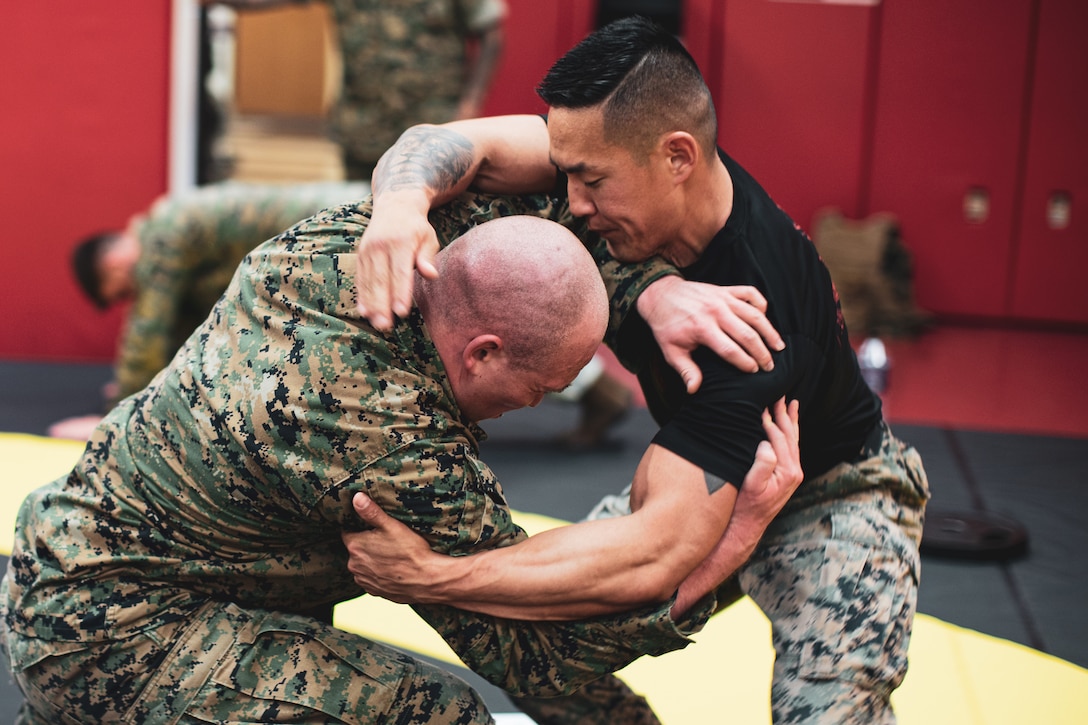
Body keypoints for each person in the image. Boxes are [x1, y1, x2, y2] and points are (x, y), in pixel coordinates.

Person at [1, 192, 802, 724]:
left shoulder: (347, 243)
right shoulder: (390, 440)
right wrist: (735, 532)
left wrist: (653, 288)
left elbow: (549, 180)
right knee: (436, 711)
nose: (534, 404)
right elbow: (542, 655)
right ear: (484, 350)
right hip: (113, 636)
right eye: (540, 387)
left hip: (69, 560)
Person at [344, 17, 931, 724]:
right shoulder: (620, 161)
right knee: (533, 652)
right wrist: (401, 207)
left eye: (591, 181)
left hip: (829, 494)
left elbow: (657, 553)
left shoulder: (755, 318)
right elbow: (442, 143)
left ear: (677, 157)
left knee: (828, 715)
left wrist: (435, 577)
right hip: (700, 471)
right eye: (567, 175)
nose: (576, 205)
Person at [51, 181, 368, 440]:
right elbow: (190, 329)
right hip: (344, 225)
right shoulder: (178, 241)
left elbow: (148, 330)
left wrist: (114, 418)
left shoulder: (162, 235)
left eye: (123, 292)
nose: (132, 297)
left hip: (348, 228)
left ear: (113, 264)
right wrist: (143, 387)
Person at [211, 0, 507, 181]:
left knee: (432, 227)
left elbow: (490, 33)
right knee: (361, 222)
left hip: (433, 128)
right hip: (363, 128)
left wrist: (470, 105)